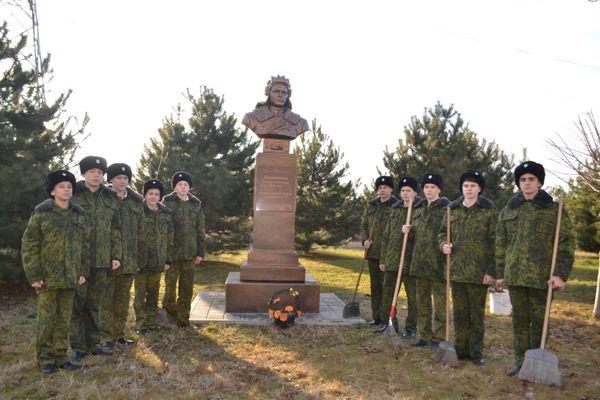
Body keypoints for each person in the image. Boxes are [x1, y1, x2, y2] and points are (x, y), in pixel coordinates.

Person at [495, 161, 575, 376]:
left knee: (540, 322)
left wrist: (560, 274)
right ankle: (520, 361)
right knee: (519, 321)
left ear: (539, 182)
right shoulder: (509, 209)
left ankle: (537, 361)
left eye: (531, 179)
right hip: (516, 275)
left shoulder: (553, 210)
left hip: (543, 278)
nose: (527, 183)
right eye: (523, 180)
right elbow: (501, 243)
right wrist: (501, 273)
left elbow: (566, 243)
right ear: (518, 183)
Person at [22, 170, 89, 373]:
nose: (66, 189)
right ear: (52, 191)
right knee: (47, 320)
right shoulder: (42, 214)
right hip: (48, 278)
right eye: (61, 186)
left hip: (71, 276)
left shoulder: (78, 214)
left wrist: (82, 271)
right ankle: (45, 359)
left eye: (69, 186)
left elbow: (85, 246)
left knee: (64, 318)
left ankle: (61, 355)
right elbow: (30, 244)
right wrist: (34, 274)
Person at [439, 170, 497, 365]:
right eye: (466, 186)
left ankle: (476, 352)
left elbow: (495, 242)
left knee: (476, 314)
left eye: (473, 185)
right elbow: (442, 234)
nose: (469, 189)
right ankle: (460, 349)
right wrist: (443, 245)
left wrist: (491, 271)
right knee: (460, 313)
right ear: (461, 188)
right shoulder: (451, 210)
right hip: (456, 270)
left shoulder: (488, 211)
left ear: (479, 188)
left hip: (478, 272)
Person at [70, 156, 121, 360]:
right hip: (78, 259)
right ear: (84, 174)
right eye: (92, 172)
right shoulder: (74, 194)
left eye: (100, 173)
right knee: (77, 303)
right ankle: (77, 347)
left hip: (101, 259)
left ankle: (93, 343)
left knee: (93, 303)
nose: (97, 175)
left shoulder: (109, 197)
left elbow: (116, 228)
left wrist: (116, 254)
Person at [100, 163, 144, 349]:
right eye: (118, 178)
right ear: (110, 180)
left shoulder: (135, 202)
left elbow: (141, 231)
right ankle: (105, 338)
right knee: (106, 299)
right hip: (108, 258)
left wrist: (140, 258)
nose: (122, 181)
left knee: (122, 299)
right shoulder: (104, 199)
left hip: (130, 260)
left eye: (125, 178)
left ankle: (118, 334)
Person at [406, 173, 450, 349]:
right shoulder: (417, 208)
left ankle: (439, 337)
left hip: (438, 264)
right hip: (419, 263)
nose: (429, 190)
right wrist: (408, 231)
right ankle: (424, 335)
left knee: (440, 304)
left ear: (439, 189)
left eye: (432, 187)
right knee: (422, 302)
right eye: (426, 187)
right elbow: (414, 237)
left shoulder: (446, 208)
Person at [162, 171, 206, 327]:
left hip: (190, 253)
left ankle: (183, 320)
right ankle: (168, 317)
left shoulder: (196, 204)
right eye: (179, 185)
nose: (182, 187)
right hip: (172, 254)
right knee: (170, 287)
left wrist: (200, 252)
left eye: (185, 185)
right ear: (174, 187)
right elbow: (163, 229)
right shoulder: (167, 202)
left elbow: (200, 229)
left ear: (189, 187)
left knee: (186, 288)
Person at [379, 176, 421, 336]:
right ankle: (389, 323)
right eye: (403, 190)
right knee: (388, 294)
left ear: (415, 192)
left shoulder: (420, 209)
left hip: (410, 262)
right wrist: (383, 259)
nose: (405, 193)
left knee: (413, 298)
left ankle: (410, 329)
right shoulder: (395, 209)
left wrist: (411, 232)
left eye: (408, 190)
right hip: (393, 260)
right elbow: (386, 235)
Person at [360, 175, 399, 329]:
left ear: (391, 189)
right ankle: (376, 317)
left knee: (387, 288)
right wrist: (364, 241)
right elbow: (364, 225)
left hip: (389, 253)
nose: (382, 190)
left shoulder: (396, 205)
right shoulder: (371, 205)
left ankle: (386, 319)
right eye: (380, 188)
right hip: (373, 252)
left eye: (386, 187)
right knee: (375, 287)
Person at [134, 179, 173, 333]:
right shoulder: (138, 211)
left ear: (160, 196)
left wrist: (167, 259)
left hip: (158, 260)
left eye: (156, 194)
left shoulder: (165, 214)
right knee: (139, 294)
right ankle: (141, 324)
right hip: (141, 261)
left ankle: (151, 321)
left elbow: (170, 238)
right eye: (150, 193)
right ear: (145, 195)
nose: (153, 197)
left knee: (153, 292)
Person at [242, 75, 309, 139]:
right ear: (268, 92)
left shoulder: (300, 123)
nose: (280, 95)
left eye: (284, 92)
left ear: (288, 95)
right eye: (276, 91)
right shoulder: (251, 118)